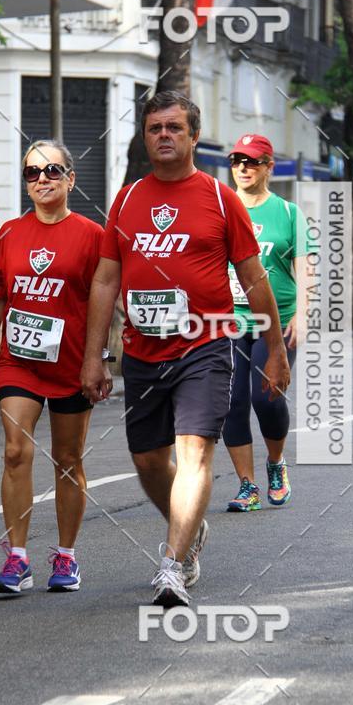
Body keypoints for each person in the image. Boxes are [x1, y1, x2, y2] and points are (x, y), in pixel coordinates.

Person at [81, 91, 290, 608]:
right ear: (145, 136)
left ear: (194, 136)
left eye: (174, 127)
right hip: (143, 351)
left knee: (194, 450)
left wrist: (275, 349)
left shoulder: (219, 198)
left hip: (206, 345)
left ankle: (173, 564)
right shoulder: (127, 199)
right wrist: (94, 356)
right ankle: (190, 528)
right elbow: (106, 280)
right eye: (155, 128)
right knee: (148, 461)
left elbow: (253, 277)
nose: (164, 136)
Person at [0, 140, 105, 594]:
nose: (42, 179)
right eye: (32, 172)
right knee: (15, 451)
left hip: (71, 363)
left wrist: (98, 360)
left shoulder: (92, 235)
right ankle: (17, 558)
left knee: (68, 460)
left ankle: (66, 556)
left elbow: (105, 299)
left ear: (71, 178)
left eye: (52, 171)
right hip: (19, 363)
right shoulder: (10, 233)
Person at [224, 134, 308, 511]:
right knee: (232, 401)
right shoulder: (221, 207)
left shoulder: (288, 213)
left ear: (269, 167)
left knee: (266, 397)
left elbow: (305, 269)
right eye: (237, 160)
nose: (243, 167)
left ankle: (276, 462)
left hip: (276, 321)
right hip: (229, 320)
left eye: (252, 161)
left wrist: (302, 315)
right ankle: (248, 485)